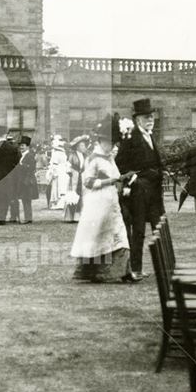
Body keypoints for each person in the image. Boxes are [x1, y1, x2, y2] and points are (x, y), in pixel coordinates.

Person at [70, 114, 132, 283]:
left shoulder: (110, 158)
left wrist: (124, 181)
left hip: (111, 202)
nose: (112, 146)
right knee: (98, 237)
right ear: (101, 141)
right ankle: (96, 272)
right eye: (110, 142)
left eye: (113, 143)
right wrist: (112, 180)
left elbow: (117, 176)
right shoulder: (94, 159)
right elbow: (88, 182)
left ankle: (123, 271)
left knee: (119, 234)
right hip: (97, 203)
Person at [115, 98, 165, 279]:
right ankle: (134, 269)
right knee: (138, 232)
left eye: (151, 117)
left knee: (159, 228)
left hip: (155, 192)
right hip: (138, 193)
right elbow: (119, 165)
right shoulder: (131, 138)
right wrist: (134, 179)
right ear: (137, 120)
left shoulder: (150, 135)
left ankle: (164, 267)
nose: (150, 120)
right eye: (146, 117)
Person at [11, 135, 38, 224]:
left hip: (27, 181)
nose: (21, 147)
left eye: (23, 146)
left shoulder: (30, 155)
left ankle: (28, 218)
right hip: (21, 180)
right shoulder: (21, 155)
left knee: (27, 200)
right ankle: (27, 217)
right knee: (24, 199)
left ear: (27, 146)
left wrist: (21, 166)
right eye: (20, 146)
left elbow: (32, 168)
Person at [63, 135, 89, 223]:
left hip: (82, 177)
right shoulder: (72, 155)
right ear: (77, 147)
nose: (84, 147)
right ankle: (70, 216)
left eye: (84, 146)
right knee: (73, 195)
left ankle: (79, 216)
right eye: (82, 146)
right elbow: (67, 165)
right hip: (74, 177)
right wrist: (70, 171)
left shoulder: (85, 156)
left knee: (82, 195)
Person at [48, 136, 69, 209]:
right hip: (63, 171)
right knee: (62, 187)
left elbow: (54, 164)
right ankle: (61, 203)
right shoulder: (64, 154)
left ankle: (57, 203)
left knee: (57, 186)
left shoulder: (56, 154)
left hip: (58, 171)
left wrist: (53, 173)